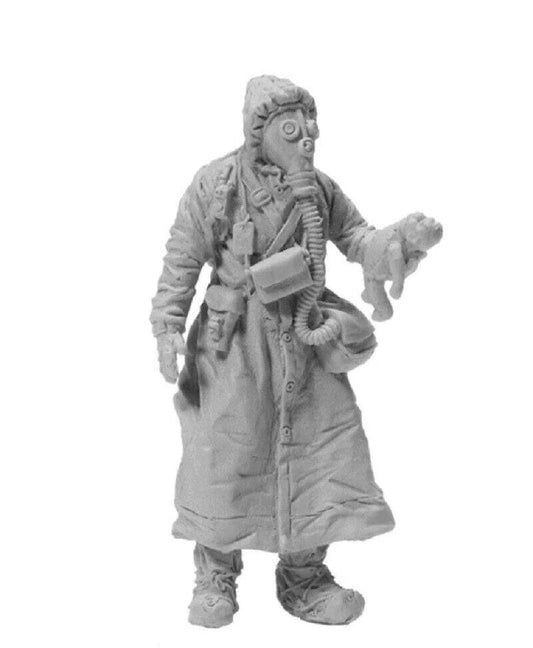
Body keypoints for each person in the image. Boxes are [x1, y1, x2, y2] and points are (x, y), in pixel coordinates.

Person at [150, 75, 442, 627]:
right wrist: (167, 327)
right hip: (233, 348)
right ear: (260, 130)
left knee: (319, 452)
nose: (306, 138)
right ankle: (216, 573)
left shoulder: (319, 191)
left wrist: (394, 242)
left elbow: (356, 237)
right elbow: (182, 259)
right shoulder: (216, 186)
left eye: (310, 127)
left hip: (305, 339)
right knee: (224, 455)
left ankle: (304, 576)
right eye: (292, 128)